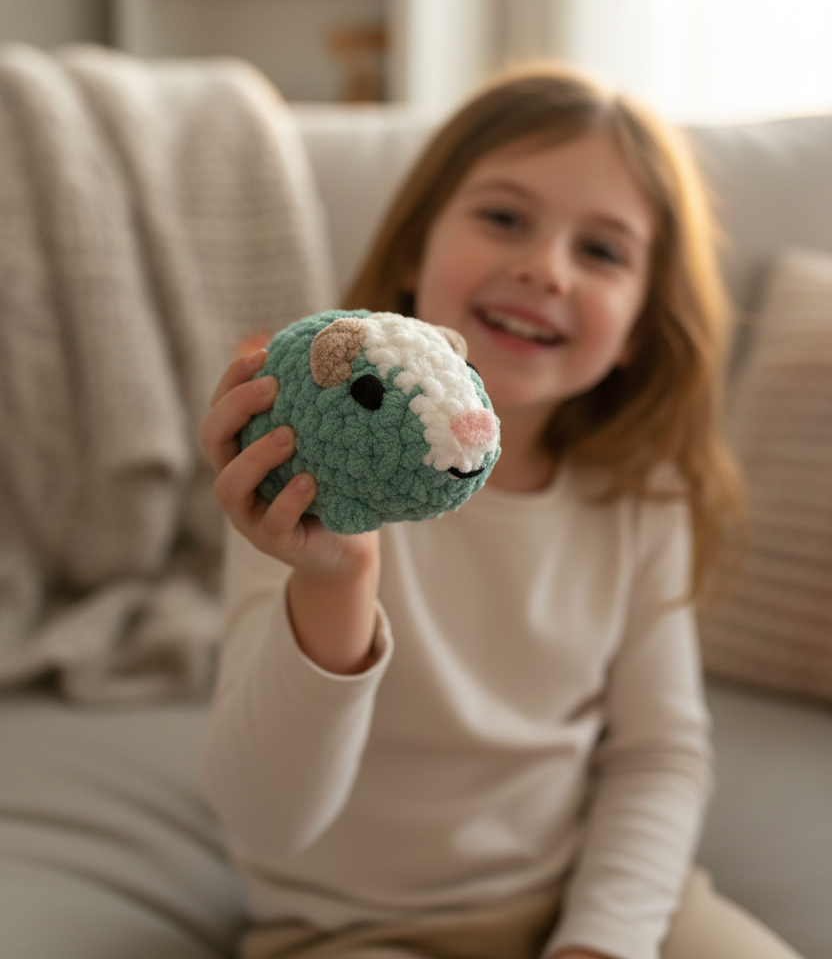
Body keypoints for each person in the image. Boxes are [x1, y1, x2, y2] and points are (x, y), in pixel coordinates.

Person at [200, 64, 803, 959]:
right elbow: (265, 816)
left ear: (638, 325)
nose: (542, 268)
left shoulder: (640, 499)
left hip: (593, 902)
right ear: (414, 249)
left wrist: (600, 941)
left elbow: (658, 756)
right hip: (358, 931)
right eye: (505, 218)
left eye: (601, 252)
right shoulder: (308, 491)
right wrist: (338, 581)